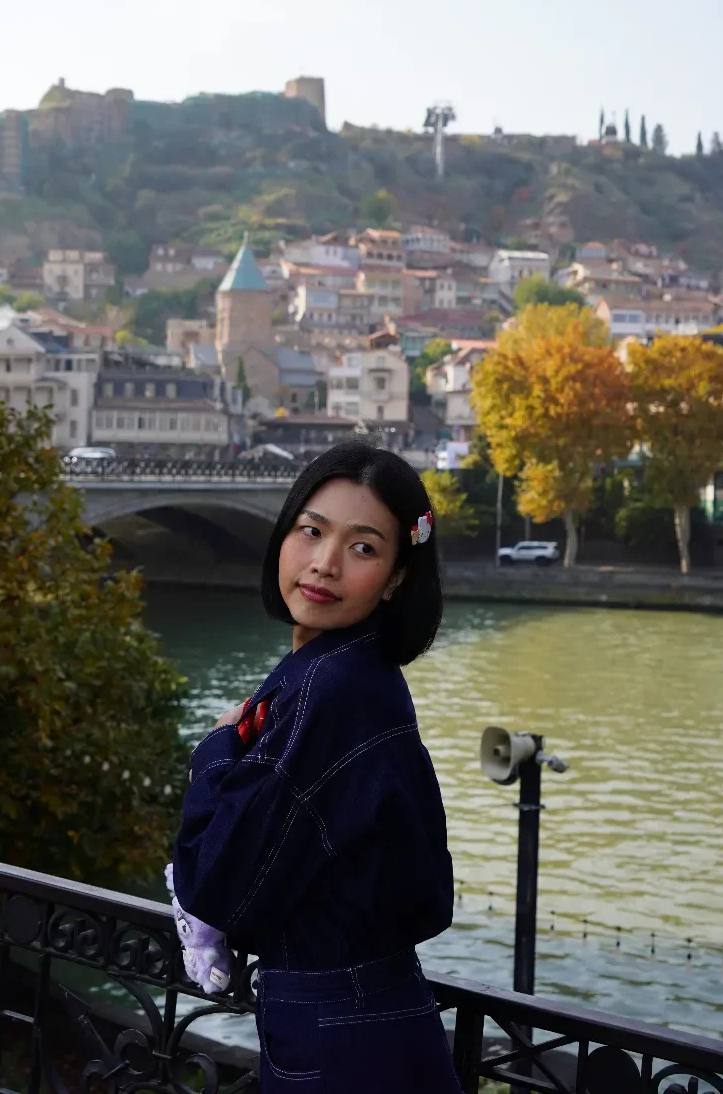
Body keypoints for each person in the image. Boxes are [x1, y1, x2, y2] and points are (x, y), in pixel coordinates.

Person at [172, 442, 462, 1093]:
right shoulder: (355, 675)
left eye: (362, 547)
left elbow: (220, 886)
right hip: (372, 1014)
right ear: (283, 536)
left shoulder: (330, 690)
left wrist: (215, 754)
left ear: (394, 577)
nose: (323, 563)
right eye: (311, 531)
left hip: (340, 1029)